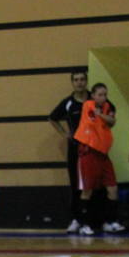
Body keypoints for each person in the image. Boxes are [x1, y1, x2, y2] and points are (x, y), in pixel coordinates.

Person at [73, 83, 120, 236]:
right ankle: (83, 224)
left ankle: (110, 222)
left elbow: (112, 121)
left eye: (105, 94)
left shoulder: (107, 107)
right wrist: (100, 114)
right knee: (87, 190)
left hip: (103, 154)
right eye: (99, 94)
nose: (103, 97)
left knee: (112, 188)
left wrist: (102, 115)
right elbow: (93, 118)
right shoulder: (88, 105)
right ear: (93, 95)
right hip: (88, 152)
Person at [49, 70, 91, 233]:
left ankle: (92, 221)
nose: (79, 82)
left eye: (82, 79)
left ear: (86, 81)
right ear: (72, 83)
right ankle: (76, 219)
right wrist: (64, 134)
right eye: (76, 80)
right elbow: (53, 118)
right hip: (75, 149)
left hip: (93, 149)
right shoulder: (68, 103)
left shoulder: (94, 99)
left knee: (93, 185)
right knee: (75, 185)